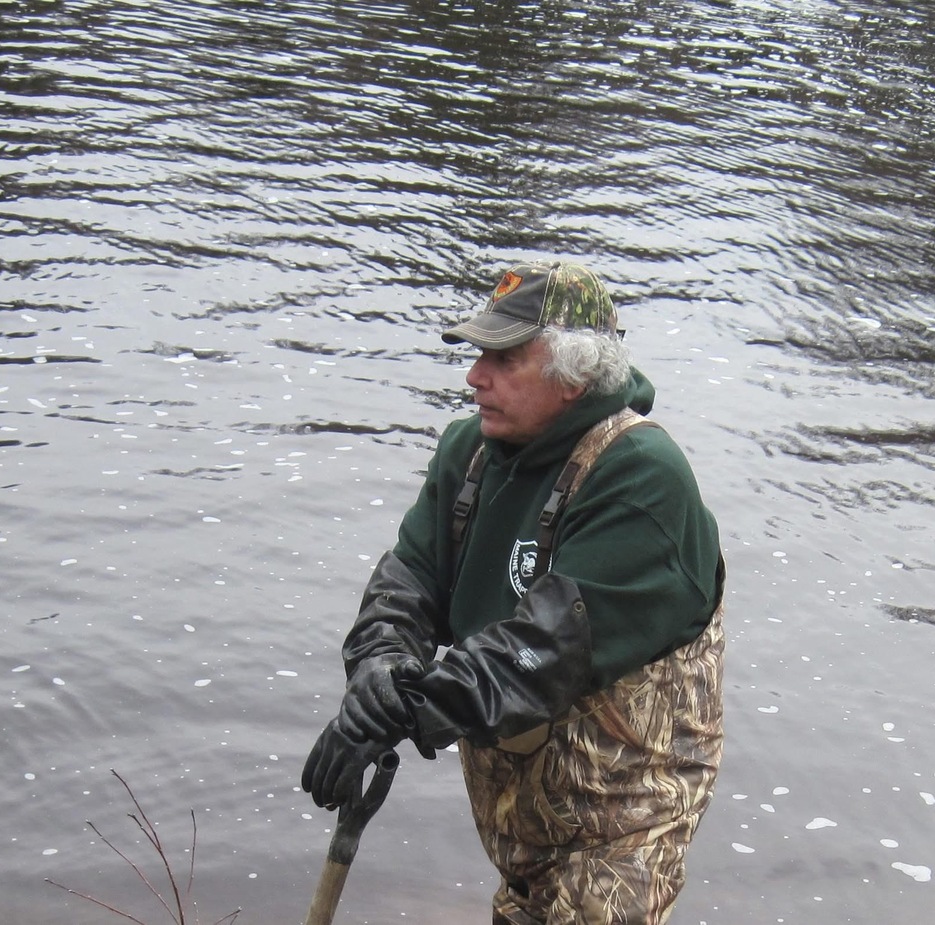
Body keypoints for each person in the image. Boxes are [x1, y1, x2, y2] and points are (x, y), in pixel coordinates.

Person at [302, 260, 725, 924]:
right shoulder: (471, 452)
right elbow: (406, 581)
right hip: (520, 820)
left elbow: (544, 651)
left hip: (618, 824)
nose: (475, 376)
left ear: (575, 376)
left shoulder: (642, 477)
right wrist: (379, 671)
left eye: (502, 357)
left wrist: (409, 707)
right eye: (478, 354)